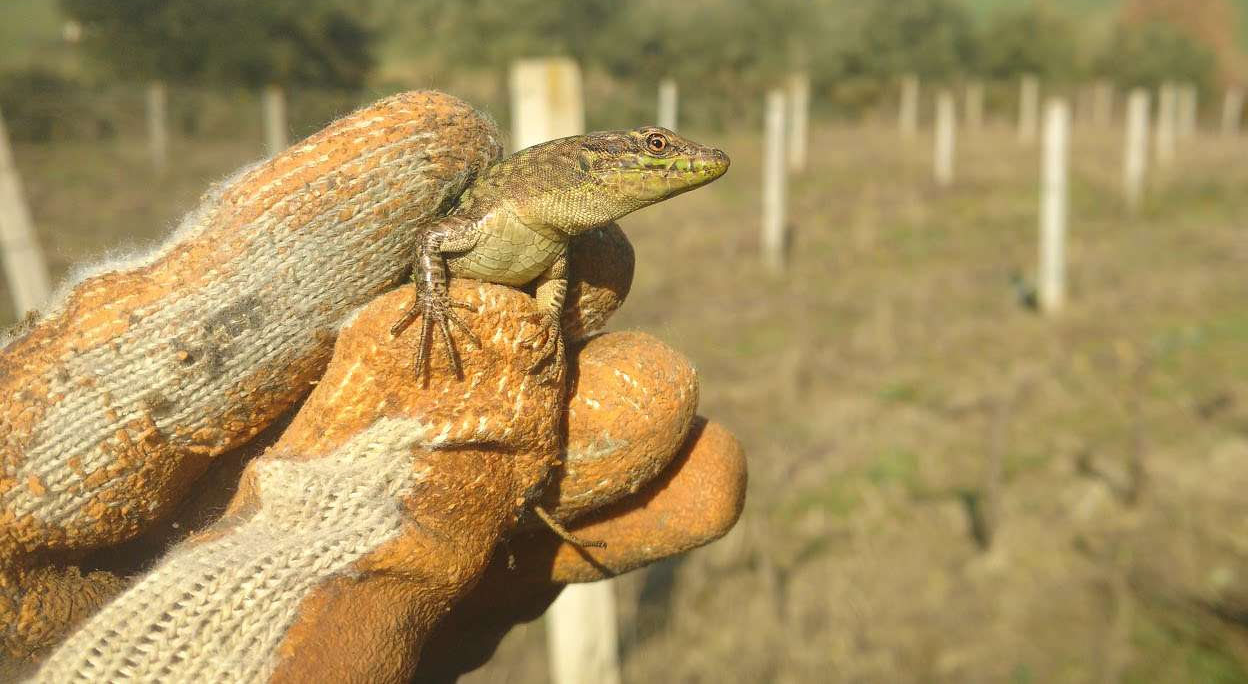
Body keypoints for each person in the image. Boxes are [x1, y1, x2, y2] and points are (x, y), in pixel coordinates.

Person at [0, 92, 745, 681]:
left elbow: (552, 283)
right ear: (592, 161)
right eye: (654, 148)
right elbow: (431, 241)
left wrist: (549, 322)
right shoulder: (503, 203)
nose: (679, 159)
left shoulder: (559, 242)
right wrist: (431, 302)